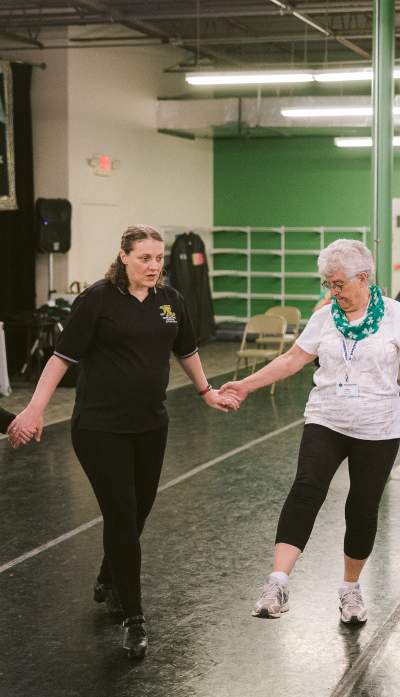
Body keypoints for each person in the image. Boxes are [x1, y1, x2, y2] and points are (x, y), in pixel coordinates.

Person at [9, 225, 239, 659]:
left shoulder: (171, 303)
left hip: (151, 425)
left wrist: (206, 390)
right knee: (121, 512)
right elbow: (62, 358)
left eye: (158, 259)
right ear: (124, 257)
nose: (153, 266)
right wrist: (35, 408)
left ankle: (107, 577)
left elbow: (186, 351)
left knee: (138, 512)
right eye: (144, 258)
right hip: (99, 428)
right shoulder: (98, 299)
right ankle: (134, 616)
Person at [220, 239, 400, 625]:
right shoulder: (325, 317)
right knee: (306, 487)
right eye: (328, 284)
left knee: (362, 507)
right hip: (326, 417)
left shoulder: (394, 314)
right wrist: (246, 384)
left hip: (378, 427)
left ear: (363, 278)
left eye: (339, 284)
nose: (333, 292)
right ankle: (277, 583)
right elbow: (292, 359)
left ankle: (350, 589)